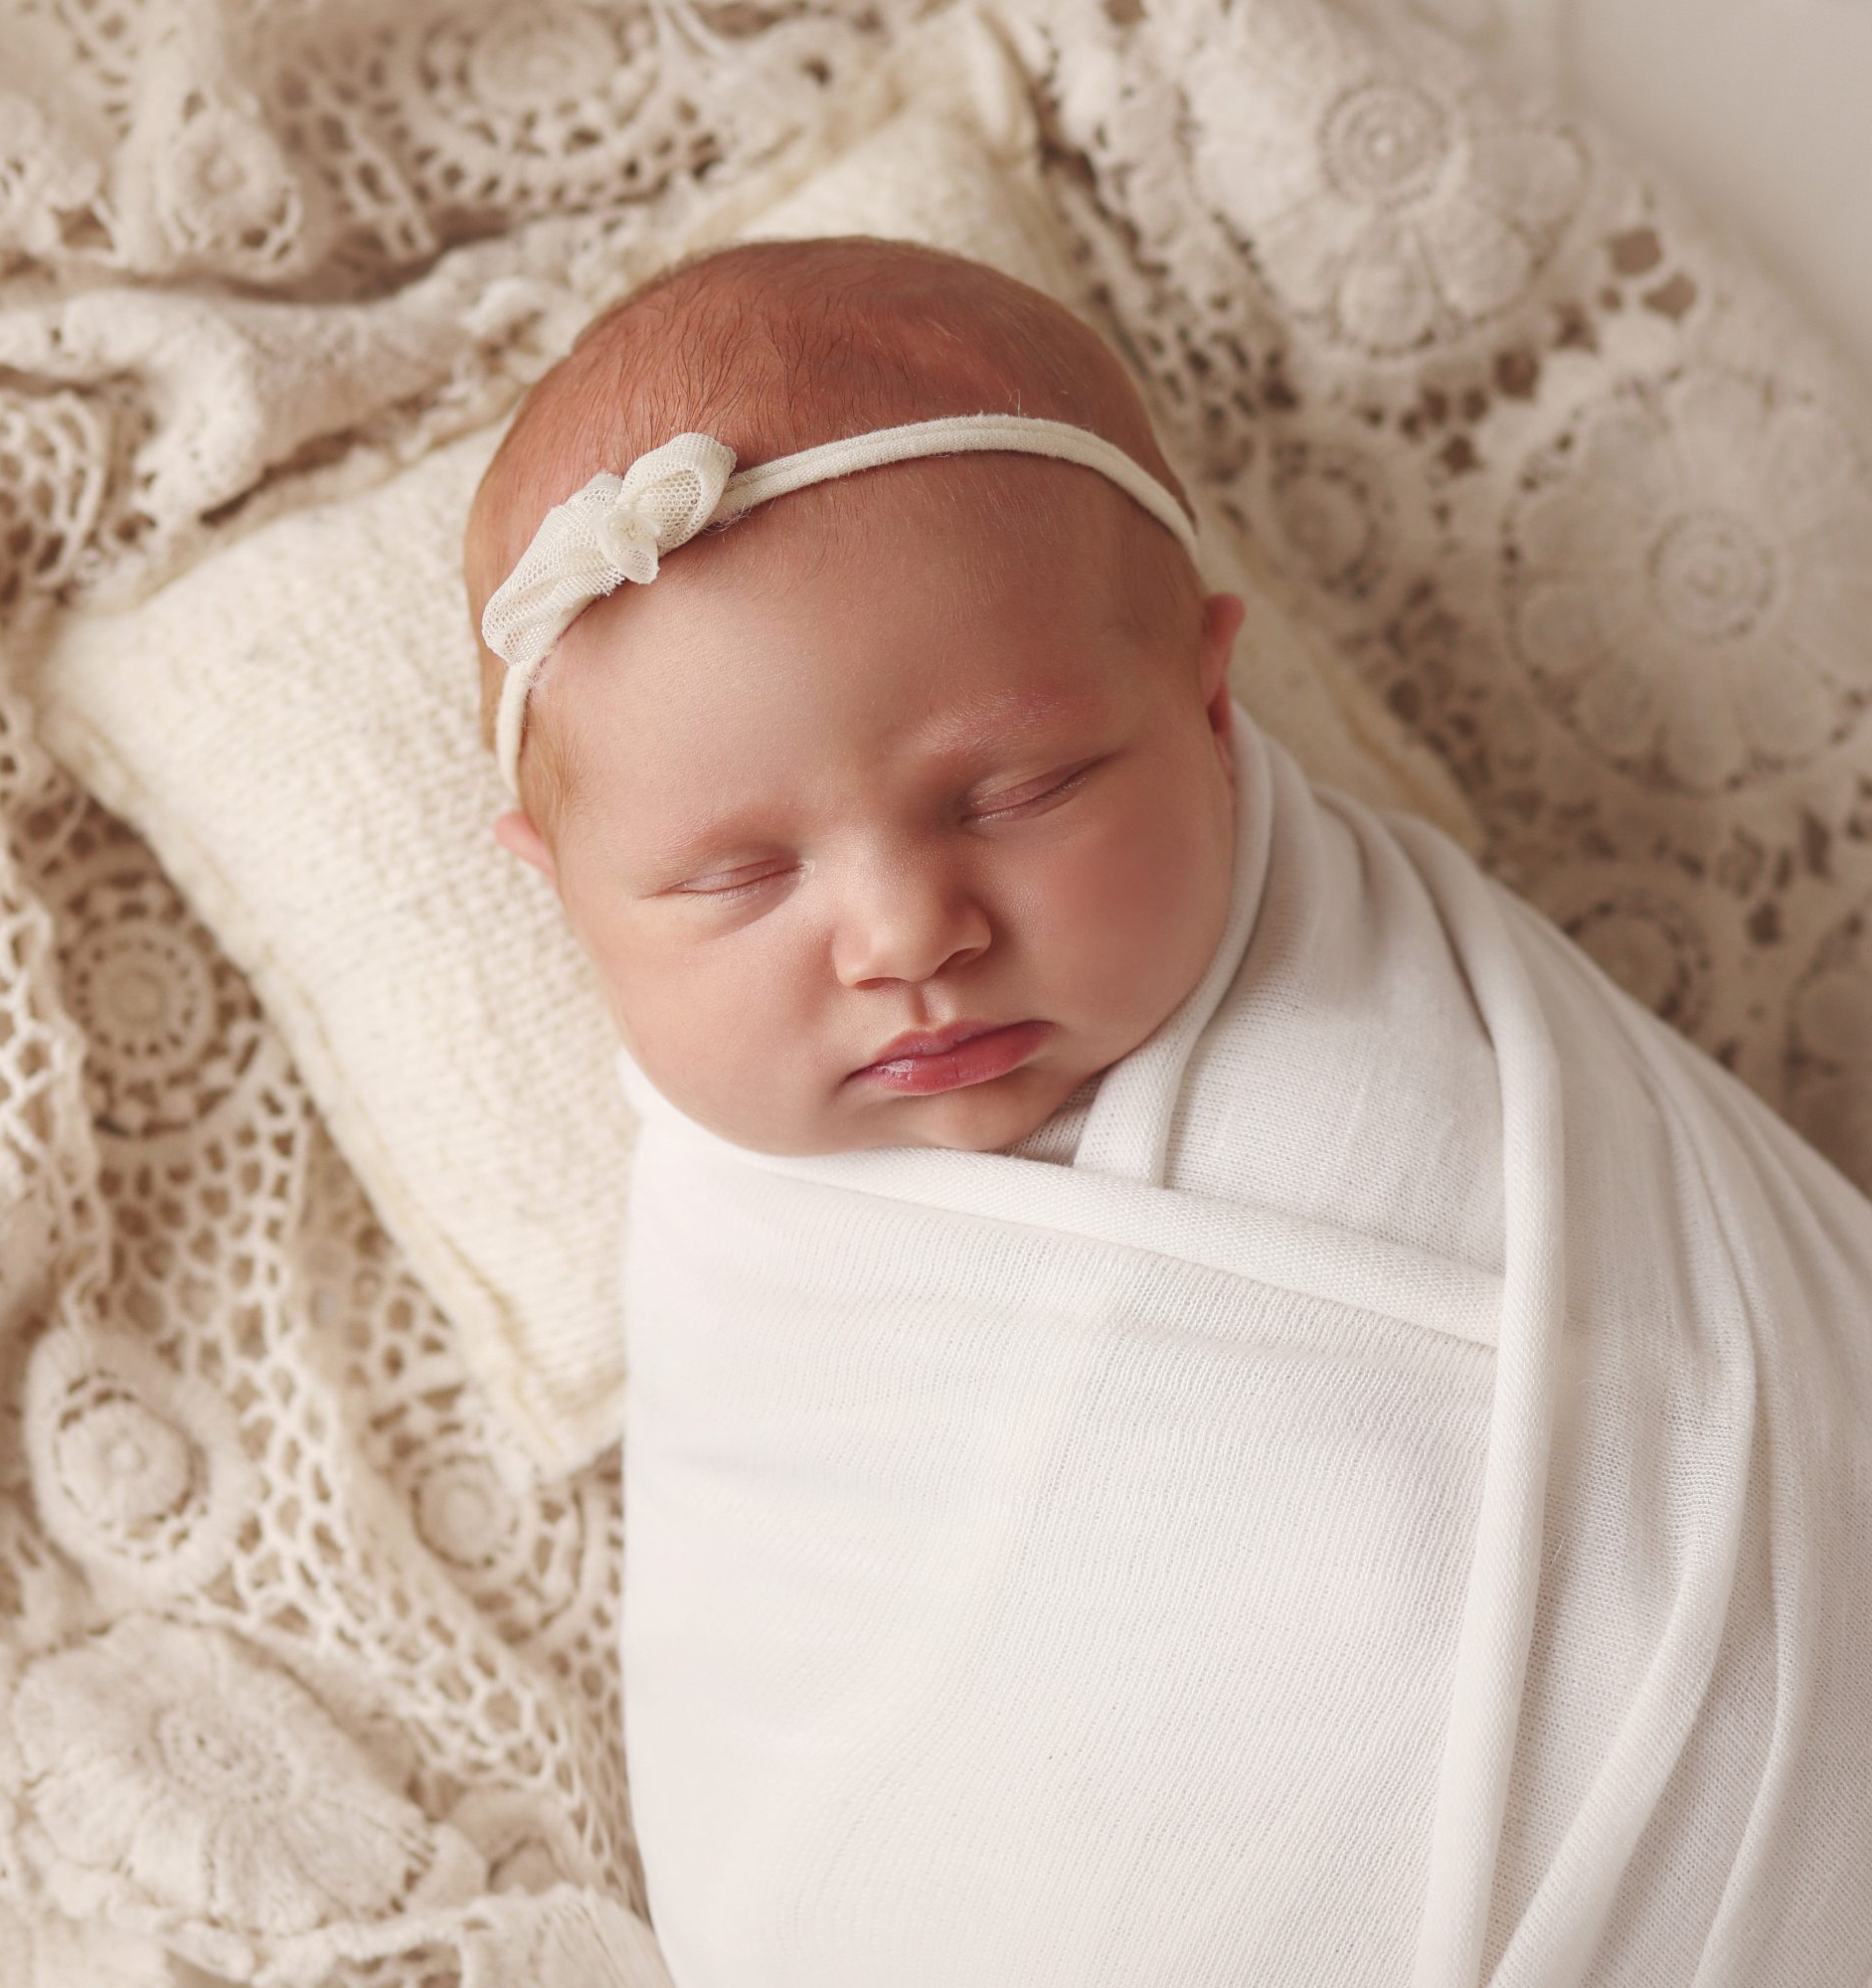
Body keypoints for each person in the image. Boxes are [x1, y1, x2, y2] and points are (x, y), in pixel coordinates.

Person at [463, 235, 1872, 1988]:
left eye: (1021, 789)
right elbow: (838, 1807)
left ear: (1210, 702)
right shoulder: (750, 1299)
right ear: (564, 892)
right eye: (735, 880)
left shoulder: (1403, 1011)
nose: (909, 936)